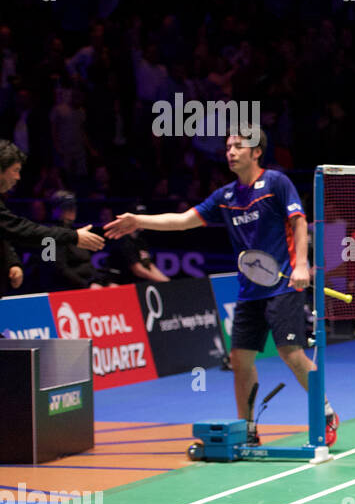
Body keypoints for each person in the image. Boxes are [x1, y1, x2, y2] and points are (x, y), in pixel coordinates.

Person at [104, 131, 340, 449]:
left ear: (256, 152)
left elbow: (298, 221)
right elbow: (184, 220)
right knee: (240, 359)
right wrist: (139, 221)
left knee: (292, 354)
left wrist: (301, 265)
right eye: (227, 147)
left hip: (283, 286)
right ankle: (247, 427)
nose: (229, 152)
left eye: (237, 146)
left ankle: (325, 414)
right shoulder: (225, 196)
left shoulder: (276, 183)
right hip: (249, 291)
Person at [0, 140, 103, 296]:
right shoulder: (55, 232)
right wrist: (73, 237)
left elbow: (4, 231)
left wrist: (11, 263)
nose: (18, 177)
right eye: (15, 170)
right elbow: (20, 229)